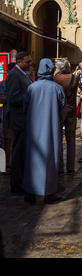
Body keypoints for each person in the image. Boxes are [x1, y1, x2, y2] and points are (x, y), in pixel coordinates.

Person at [23, 58, 66, 204]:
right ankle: (49, 192)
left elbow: (25, 107)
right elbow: (63, 109)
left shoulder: (31, 87)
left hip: (33, 129)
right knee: (49, 159)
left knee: (32, 158)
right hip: (51, 129)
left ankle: (30, 191)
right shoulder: (56, 88)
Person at [6, 52, 33, 194]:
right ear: (20, 61)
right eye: (28, 62)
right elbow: (13, 98)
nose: (30, 64)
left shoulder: (23, 74)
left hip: (24, 119)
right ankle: (16, 184)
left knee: (22, 152)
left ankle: (21, 180)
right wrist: (29, 95)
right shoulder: (14, 75)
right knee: (18, 152)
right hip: (18, 119)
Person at [54, 59, 79, 175]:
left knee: (58, 139)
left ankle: (59, 166)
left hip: (59, 112)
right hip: (71, 111)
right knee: (71, 140)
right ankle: (70, 167)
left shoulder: (55, 79)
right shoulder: (74, 78)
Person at [0, 62, 16, 174]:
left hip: (16, 116)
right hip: (7, 115)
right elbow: (1, 99)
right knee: (7, 140)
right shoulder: (3, 84)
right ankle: (7, 163)